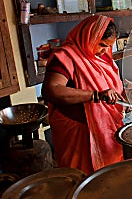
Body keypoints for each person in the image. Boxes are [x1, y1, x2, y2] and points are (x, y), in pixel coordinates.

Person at [41, 15, 126, 175]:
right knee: (81, 179)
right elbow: (51, 89)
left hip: (104, 130)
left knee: (109, 178)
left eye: (108, 46)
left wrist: (126, 94)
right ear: (89, 37)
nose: (104, 51)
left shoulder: (102, 58)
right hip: (78, 134)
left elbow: (112, 86)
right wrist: (95, 95)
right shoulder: (67, 56)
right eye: (101, 45)